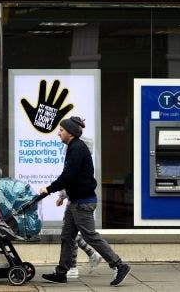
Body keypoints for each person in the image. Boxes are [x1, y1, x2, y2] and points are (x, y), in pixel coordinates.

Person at [40, 116, 131, 286]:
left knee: (90, 236)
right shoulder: (73, 147)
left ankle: (119, 265)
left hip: (83, 203)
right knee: (67, 237)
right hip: (76, 201)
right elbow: (74, 178)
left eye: (61, 130)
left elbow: (68, 176)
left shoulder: (77, 149)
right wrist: (63, 195)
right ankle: (61, 273)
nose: (58, 133)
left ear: (70, 132)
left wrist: (49, 189)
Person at [56, 190, 102, 278]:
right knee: (70, 235)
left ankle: (73, 268)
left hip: (78, 203)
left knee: (70, 235)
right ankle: (91, 255)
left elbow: (72, 183)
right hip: (76, 202)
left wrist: (61, 196)